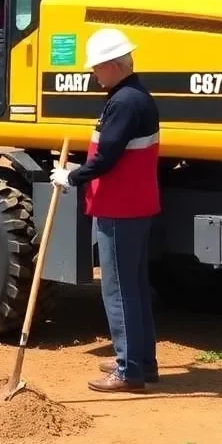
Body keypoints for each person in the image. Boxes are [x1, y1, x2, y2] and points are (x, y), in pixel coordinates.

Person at [50, 27, 161, 393]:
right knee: (135, 287)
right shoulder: (134, 97)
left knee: (119, 290)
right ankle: (141, 361)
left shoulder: (124, 102)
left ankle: (129, 370)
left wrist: (71, 176)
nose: (93, 75)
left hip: (120, 207)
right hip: (134, 205)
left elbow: (107, 157)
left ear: (114, 65)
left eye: (97, 68)